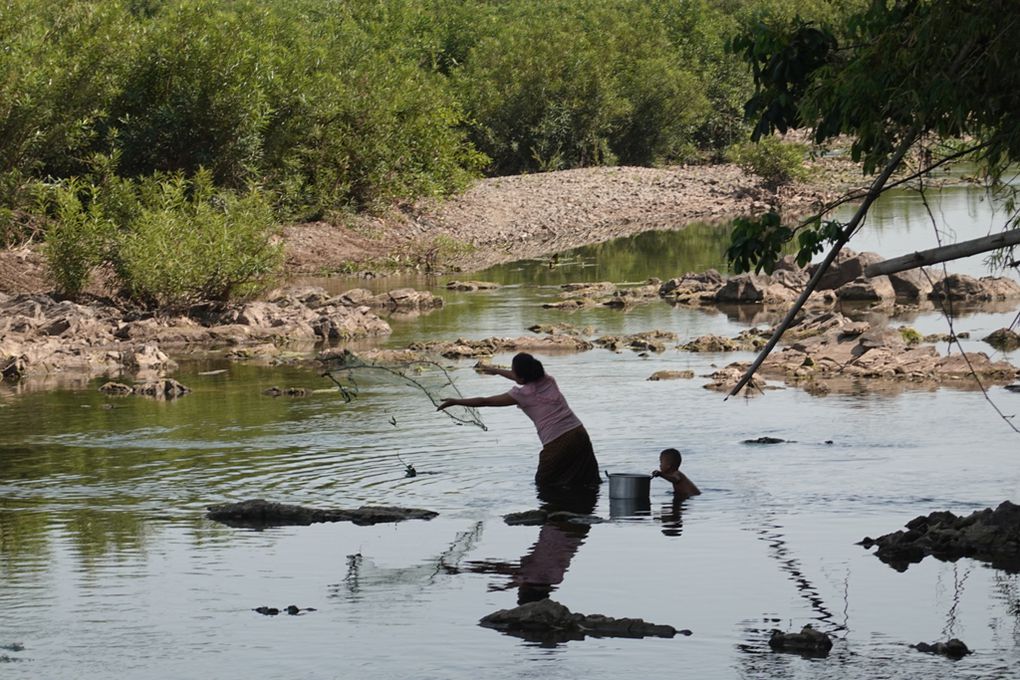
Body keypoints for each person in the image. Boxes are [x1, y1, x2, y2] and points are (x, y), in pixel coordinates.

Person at [437, 353, 600, 489]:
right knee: (585, 479)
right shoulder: (548, 380)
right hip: (579, 432)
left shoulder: (522, 395)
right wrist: (496, 371)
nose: (512, 374)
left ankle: (555, 521)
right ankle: (579, 517)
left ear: (521, 376)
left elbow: (484, 401)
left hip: (557, 441)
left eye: (513, 372)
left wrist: (456, 401)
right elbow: (520, 378)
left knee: (544, 483)